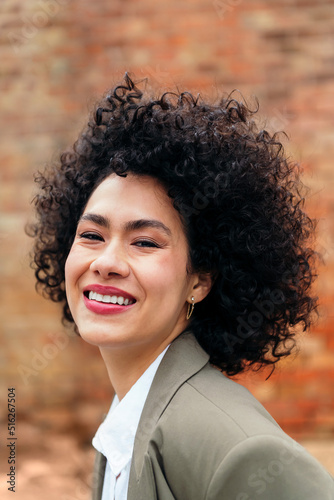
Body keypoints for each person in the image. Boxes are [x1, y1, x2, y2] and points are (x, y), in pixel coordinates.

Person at [29, 74, 334, 500]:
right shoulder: (128, 421)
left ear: (200, 280)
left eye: (145, 242)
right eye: (92, 235)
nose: (107, 263)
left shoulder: (239, 449)